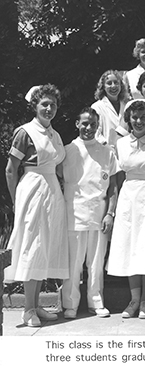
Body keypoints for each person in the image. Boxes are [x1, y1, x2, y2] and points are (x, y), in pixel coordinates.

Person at [5, 84, 68, 327]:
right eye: (45, 104)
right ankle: (27, 310)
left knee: (45, 246)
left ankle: (36, 304)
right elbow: (11, 170)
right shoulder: (24, 132)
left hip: (52, 191)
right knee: (33, 246)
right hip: (32, 190)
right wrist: (16, 201)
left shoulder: (55, 135)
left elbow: (61, 166)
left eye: (53, 104)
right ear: (35, 106)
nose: (49, 108)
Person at [107, 100, 145, 319]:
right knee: (130, 246)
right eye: (135, 117)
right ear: (129, 119)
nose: (139, 121)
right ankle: (134, 300)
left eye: (143, 117)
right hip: (129, 197)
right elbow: (119, 176)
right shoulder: (121, 143)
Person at [61, 107, 119, 319]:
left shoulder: (107, 152)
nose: (88, 128)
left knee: (96, 264)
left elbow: (113, 186)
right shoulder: (67, 151)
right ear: (77, 124)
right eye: (84, 123)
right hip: (74, 213)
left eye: (93, 124)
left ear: (98, 126)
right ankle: (70, 304)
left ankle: (96, 301)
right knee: (73, 263)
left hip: (99, 213)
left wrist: (110, 213)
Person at [92, 70, 129, 148]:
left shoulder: (127, 106)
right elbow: (95, 133)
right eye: (109, 83)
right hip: (105, 152)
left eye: (116, 82)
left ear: (121, 85)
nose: (113, 86)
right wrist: (108, 148)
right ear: (103, 87)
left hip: (126, 152)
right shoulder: (97, 107)